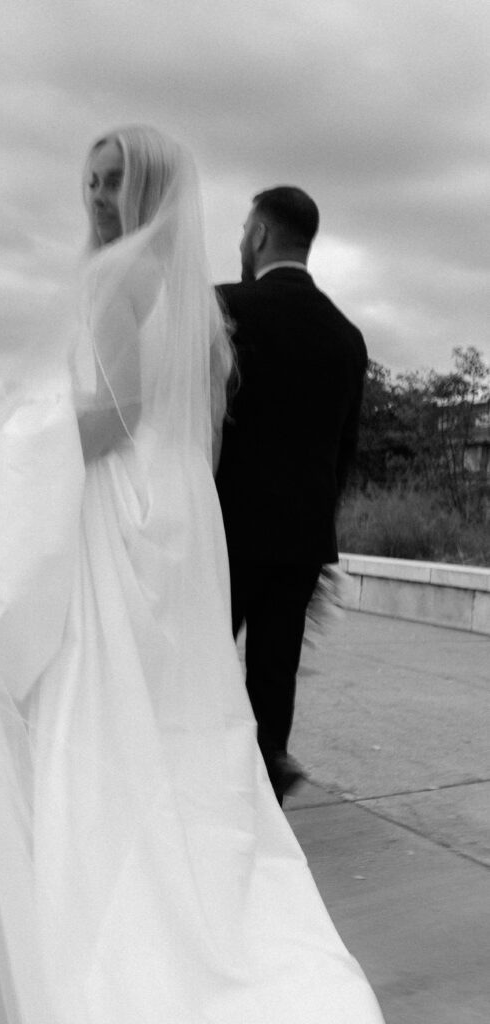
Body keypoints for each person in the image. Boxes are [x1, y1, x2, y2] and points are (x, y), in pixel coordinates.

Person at [0, 128, 384, 1023]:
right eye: (92, 180)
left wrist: (7, 452)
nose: (99, 197)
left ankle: (128, 904)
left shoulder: (124, 281)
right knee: (210, 708)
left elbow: (114, 414)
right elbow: (282, 442)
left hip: (127, 518)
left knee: (109, 713)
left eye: (116, 182)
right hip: (205, 524)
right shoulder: (291, 325)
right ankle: (218, 849)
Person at [215, 186, 368, 804]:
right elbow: (344, 454)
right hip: (302, 538)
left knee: (195, 658)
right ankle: (262, 793)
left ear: (257, 234)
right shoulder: (346, 336)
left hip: (223, 530)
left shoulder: (224, 307)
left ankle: (191, 777)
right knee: (273, 673)